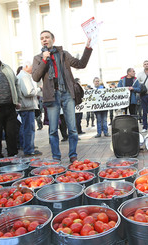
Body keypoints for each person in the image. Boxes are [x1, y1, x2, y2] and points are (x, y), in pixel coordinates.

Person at [31, 30, 92, 162]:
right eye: (42, 38)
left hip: (66, 93)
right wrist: (44, 59)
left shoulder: (63, 54)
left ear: (53, 39)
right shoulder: (38, 58)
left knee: (72, 127)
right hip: (51, 96)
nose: (44, 40)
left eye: (47, 37)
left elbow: (81, 64)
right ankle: (56, 157)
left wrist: (88, 47)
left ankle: (73, 155)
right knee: (53, 129)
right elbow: (35, 77)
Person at [17, 61, 43, 157]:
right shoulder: (24, 77)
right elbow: (28, 92)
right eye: (33, 66)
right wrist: (40, 89)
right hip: (26, 106)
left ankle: (29, 148)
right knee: (28, 129)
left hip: (26, 106)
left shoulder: (23, 76)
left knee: (27, 128)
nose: (34, 68)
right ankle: (29, 149)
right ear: (26, 66)